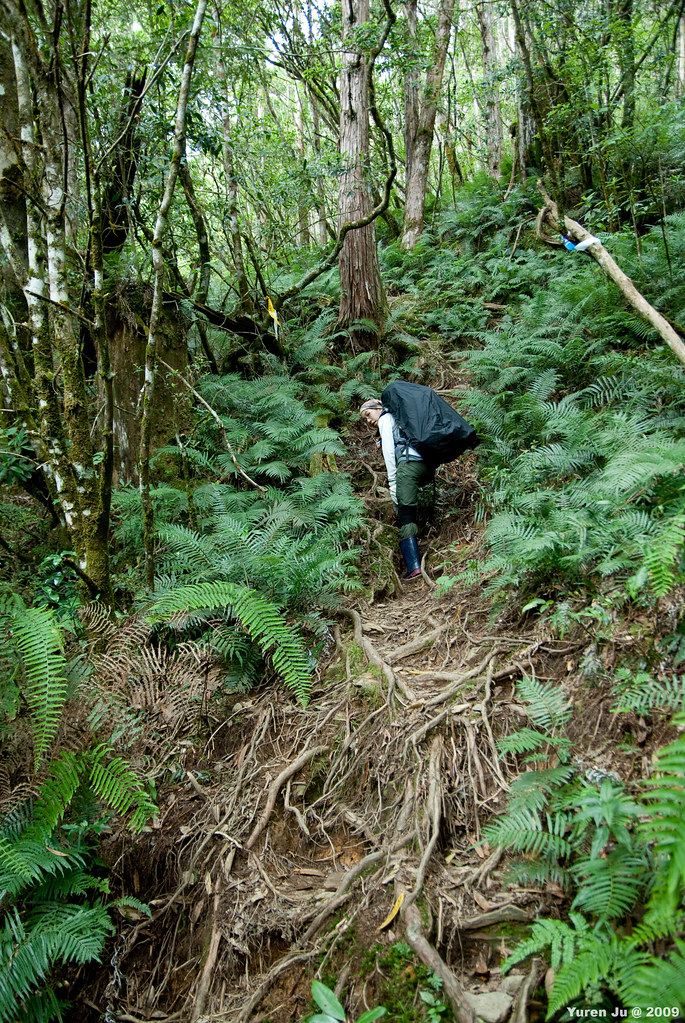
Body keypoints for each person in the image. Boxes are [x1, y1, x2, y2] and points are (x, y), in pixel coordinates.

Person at [360, 397, 434, 580]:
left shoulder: (385, 419)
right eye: (365, 419)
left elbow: (389, 451)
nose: (368, 421)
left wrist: (393, 482)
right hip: (425, 465)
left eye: (368, 414)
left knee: (405, 513)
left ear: (378, 408)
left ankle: (414, 566)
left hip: (408, 466)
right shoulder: (400, 418)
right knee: (409, 506)